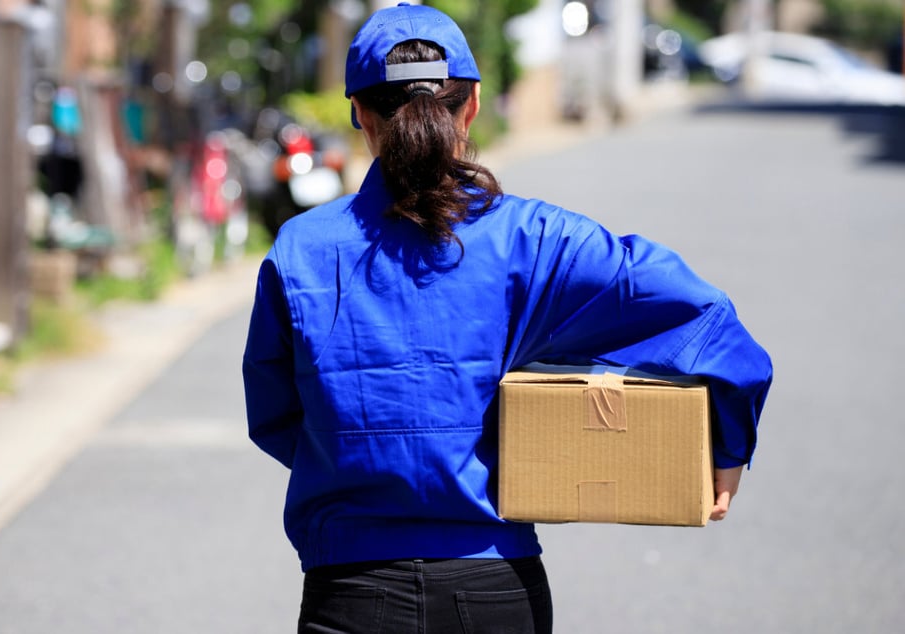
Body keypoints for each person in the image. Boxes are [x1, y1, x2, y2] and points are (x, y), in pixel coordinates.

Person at [242, 3, 772, 632]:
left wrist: (361, 466)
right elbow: (703, 315)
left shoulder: (302, 248)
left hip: (349, 590)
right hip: (496, 592)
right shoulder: (538, 237)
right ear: (470, 107)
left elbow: (276, 417)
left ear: (359, 113)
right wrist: (727, 443)